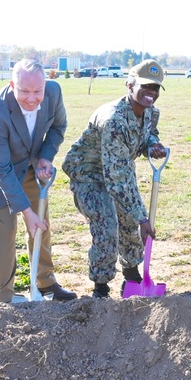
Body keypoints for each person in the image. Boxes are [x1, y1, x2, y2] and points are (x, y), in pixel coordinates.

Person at [0, 59, 76, 302]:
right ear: (12, 85)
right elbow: (2, 169)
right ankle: (5, 295)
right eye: (24, 91)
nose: (31, 98)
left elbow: (59, 126)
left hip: (31, 163)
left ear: (45, 85)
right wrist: (26, 213)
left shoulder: (53, 92)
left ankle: (45, 283)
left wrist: (46, 158)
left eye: (37, 91)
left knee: (41, 224)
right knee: (5, 230)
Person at [63, 60, 168, 299]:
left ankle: (131, 277)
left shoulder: (150, 112)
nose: (150, 92)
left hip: (118, 169)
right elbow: (116, 179)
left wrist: (153, 145)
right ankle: (100, 289)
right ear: (130, 84)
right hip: (89, 175)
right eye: (145, 86)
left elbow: (149, 133)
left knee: (129, 224)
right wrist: (142, 217)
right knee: (108, 226)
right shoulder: (114, 121)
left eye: (156, 88)